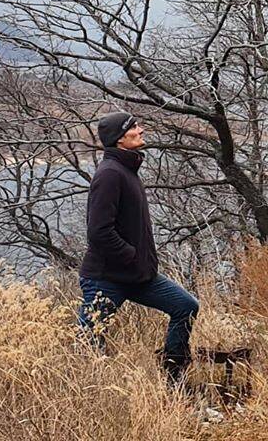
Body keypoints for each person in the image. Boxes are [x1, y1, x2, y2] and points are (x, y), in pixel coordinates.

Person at [77, 111, 199, 382]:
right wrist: (131, 255)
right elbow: (98, 232)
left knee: (186, 306)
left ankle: (173, 376)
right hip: (105, 279)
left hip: (138, 276)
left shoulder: (126, 169)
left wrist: (140, 262)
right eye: (134, 127)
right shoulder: (109, 175)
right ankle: (85, 400)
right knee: (88, 345)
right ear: (120, 138)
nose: (141, 130)